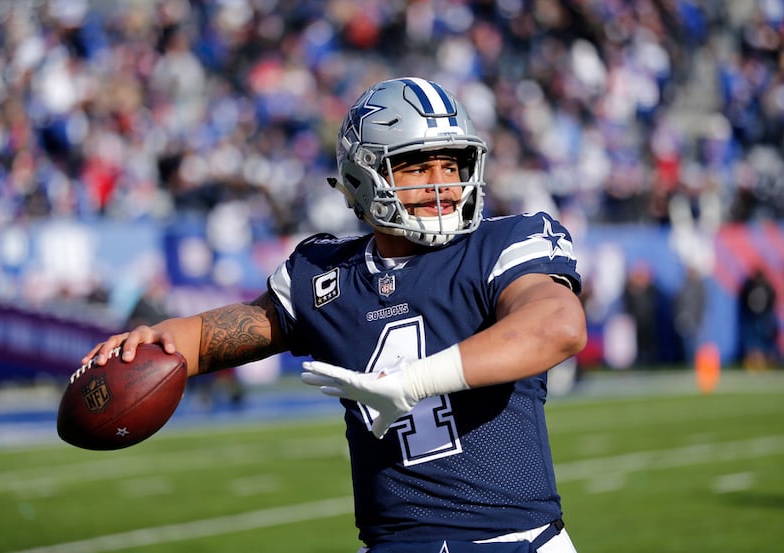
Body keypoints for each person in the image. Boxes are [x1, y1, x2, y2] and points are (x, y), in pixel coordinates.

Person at [83, 77, 587, 552]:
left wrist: (413, 381)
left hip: (517, 539)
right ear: (361, 176)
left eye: (452, 166)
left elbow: (557, 326)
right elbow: (204, 338)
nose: (444, 185)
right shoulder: (326, 275)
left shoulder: (502, 244)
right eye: (416, 167)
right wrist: (146, 343)